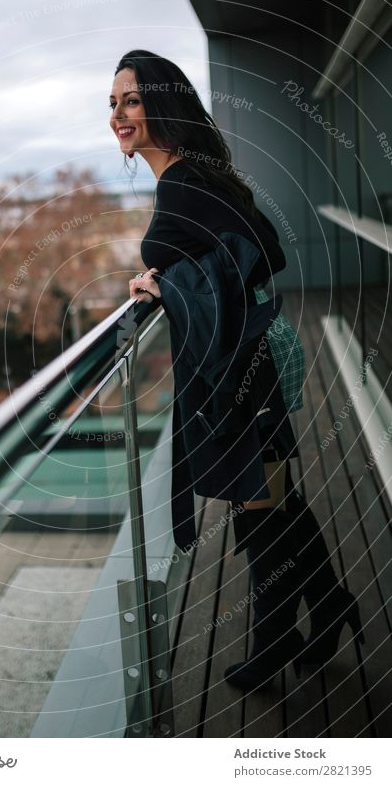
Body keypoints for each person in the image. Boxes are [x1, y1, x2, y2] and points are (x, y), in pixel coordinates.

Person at [109, 49, 364, 692]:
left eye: (131, 100)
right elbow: (256, 249)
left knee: (259, 505)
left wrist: (173, 287)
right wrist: (179, 276)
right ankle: (330, 606)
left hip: (243, 362)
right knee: (272, 497)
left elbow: (259, 256)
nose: (118, 114)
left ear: (162, 105)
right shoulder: (194, 175)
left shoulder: (185, 183)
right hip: (252, 353)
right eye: (112, 104)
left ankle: (274, 642)